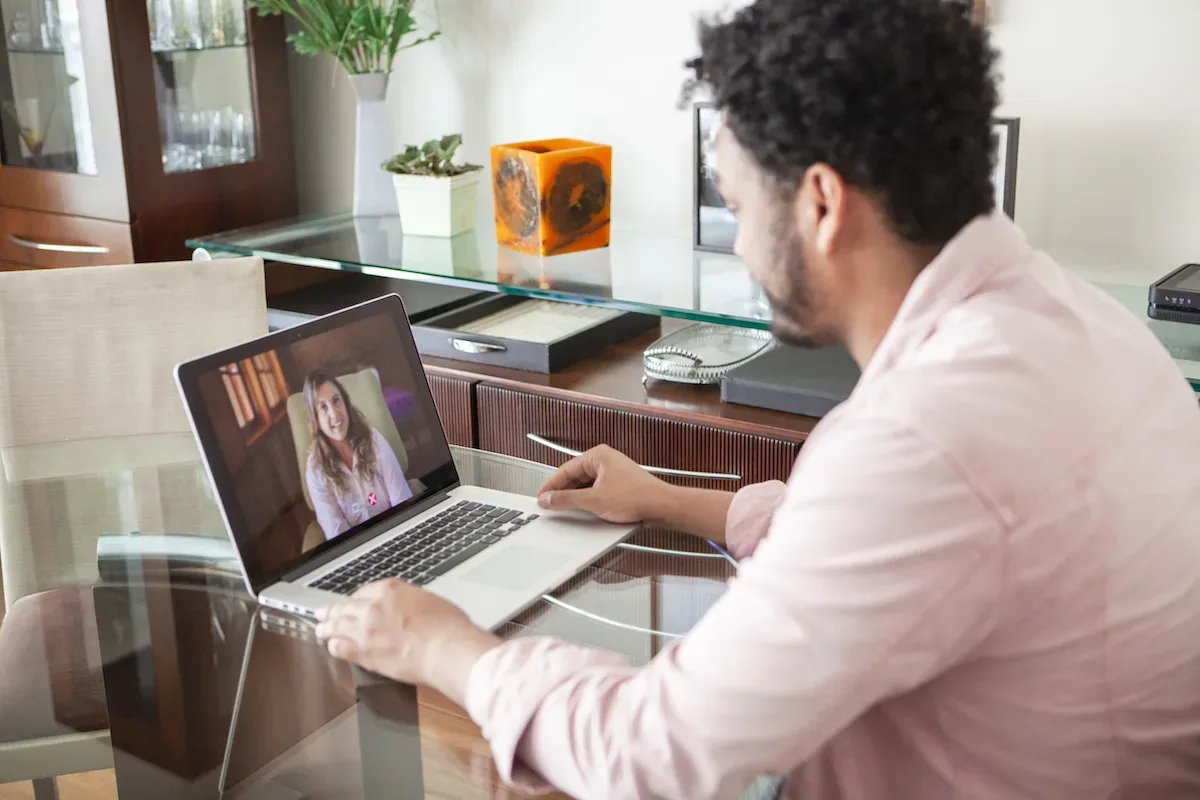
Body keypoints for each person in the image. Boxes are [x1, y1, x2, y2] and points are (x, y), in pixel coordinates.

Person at [314, 1, 1200, 797]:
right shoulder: (1068, 313)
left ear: (821, 203)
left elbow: (653, 755)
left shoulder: (926, 437)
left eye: (737, 205)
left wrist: (442, 646)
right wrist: (665, 499)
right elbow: (905, 542)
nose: (738, 245)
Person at [303, 369, 412, 540]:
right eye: (323, 407)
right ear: (315, 419)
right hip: (357, 551)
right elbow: (337, 534)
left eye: (336, 400)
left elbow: (401, 502)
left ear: (345, 403)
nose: (334, 413)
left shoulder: (373, 439)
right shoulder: (315, 469)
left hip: (397, 533)